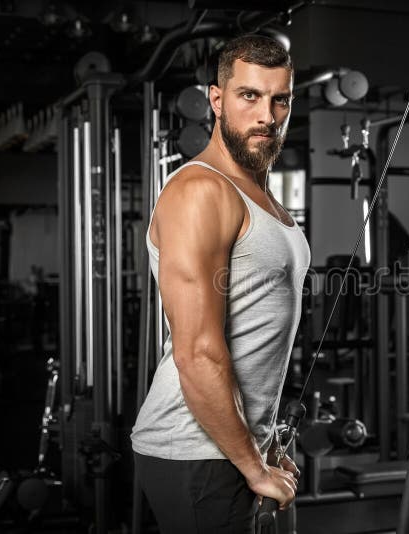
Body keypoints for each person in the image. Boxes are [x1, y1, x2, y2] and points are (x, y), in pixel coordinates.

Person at [131, 34, 310, 533]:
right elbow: (198, 353)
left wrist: (261, 442)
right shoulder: (201, 191)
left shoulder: (259, 194)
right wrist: (252, 466)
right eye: (249, 96)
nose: (268, 115)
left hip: (230, 445)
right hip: (194, 452)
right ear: (216, 99)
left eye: (280, 100)